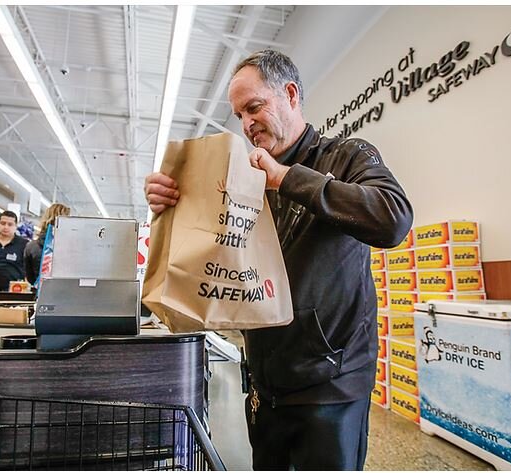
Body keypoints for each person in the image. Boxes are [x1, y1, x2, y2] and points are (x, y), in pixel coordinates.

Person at [144, 49, 413, 470]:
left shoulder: (346, 157)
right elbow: (215, 258)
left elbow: (393, 218)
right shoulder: (242, 177)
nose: (247, 124)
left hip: (330, 384)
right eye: (239, 115)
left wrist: (286, 178)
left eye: (254, 107)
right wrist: (171, 208)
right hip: (264, 384)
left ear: (290, 94)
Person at [24, 203, 70, 285]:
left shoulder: (31, 246)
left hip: (41, 293)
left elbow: (30, 278)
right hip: (65, 293)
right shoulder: (71, 248)